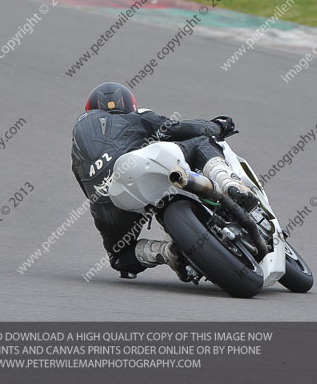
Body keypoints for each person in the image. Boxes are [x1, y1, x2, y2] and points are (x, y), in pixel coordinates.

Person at [70, 82, 260, 281]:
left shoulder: (77, 141)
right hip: (133, 170)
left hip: (106, 201)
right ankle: (230, 185)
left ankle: (166, 252)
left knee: (119, 256)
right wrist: (218, 126)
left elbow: (81, 180)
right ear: (128, 104)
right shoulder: (133, 117)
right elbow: (177, 128)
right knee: (201, 143)